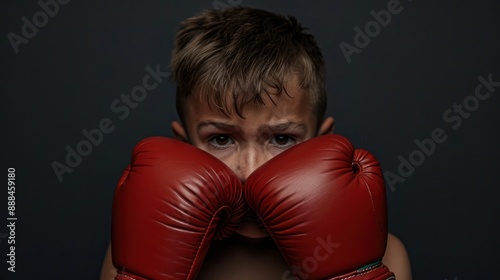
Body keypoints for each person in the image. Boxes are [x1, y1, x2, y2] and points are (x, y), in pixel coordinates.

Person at [100, 6, 412, 280]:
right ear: (184, 146)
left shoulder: (381, 254)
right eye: (221, 139)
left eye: (282, 138)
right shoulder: (139, 251)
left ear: (322, 142)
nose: (249, 171)